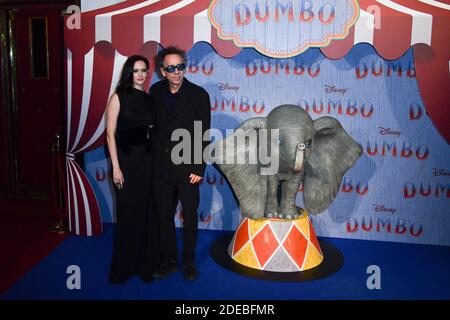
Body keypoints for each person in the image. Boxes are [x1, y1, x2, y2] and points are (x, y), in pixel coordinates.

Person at [150, 46, 211, 281]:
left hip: (188, 168)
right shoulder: (155, 92)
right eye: (171, 68)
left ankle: (188, 262)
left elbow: (202, 132)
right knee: (164, 216)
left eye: (181, 67)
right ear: (162, 71)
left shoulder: (198, 95)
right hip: (162, 168)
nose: (177, 72)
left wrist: (198, 167)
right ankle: (170, 260)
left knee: (190, 217)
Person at [106, 55, 159, 284]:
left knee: (146, 215)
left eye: (144, 70)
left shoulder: (149, 99)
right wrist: (116, 168)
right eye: (136, 70)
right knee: (128, 215)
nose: (140, 74)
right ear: (129, 72)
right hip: (125, 163)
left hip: (146, 162)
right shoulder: (118, 96)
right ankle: (124, 269)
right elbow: (110, 134)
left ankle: (144, 266)